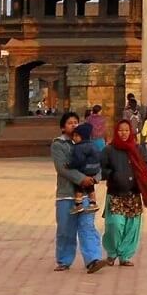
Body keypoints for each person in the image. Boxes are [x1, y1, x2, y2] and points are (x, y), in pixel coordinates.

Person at [51, 111, 105, 273]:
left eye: (76, 122)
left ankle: (93, 259)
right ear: (63, 127)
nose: (74, 125)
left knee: (87, 226)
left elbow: (97, 163)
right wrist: (82, 179)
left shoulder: (88, 143)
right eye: (70, 123)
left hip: (86, 194)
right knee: (65, 229)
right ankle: (64, 260)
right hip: (67, 194)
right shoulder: (59, 145)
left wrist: (95, 178)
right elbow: (62, 168)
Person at [100, 118, 147, 266]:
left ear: (131, 132)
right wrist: (113, 175)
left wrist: (139, 175)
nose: (123, 133)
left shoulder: (138, 149)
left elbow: (146, 166)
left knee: (132, 227)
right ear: (116, 132)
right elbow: (102, 169)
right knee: (114, 224)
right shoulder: (109, 150)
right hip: (116, 193)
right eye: (121, 130)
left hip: (133, 193)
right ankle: (112, 253)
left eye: (126, 130)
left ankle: (125, 256)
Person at [67, 122, 101, 215]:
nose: (74, 138)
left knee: (79, 184)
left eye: (76, 136)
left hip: (85, 169)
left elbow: (79, 160)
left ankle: (78, 204)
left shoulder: (79, 147)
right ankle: (93, 203)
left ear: (82, 137)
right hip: (95, 169)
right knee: (90, 186)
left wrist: (70, 165)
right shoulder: (93, 144)